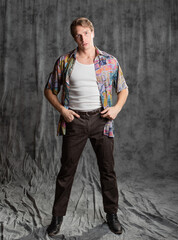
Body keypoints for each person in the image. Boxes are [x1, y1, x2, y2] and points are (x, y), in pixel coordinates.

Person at [44, 17, 128, 237]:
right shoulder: (65, 61)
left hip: (102, 120)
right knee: (66, 172)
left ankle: (112, 215)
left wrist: (116, 108)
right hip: (75, 121)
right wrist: (62, 110)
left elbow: (123, 88)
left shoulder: (109, 61)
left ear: (93, 32)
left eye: (86, 33)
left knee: (107, 171)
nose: (83, 38)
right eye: (78, 35)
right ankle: (57, 218)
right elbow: (49, 90)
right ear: (74, 37)